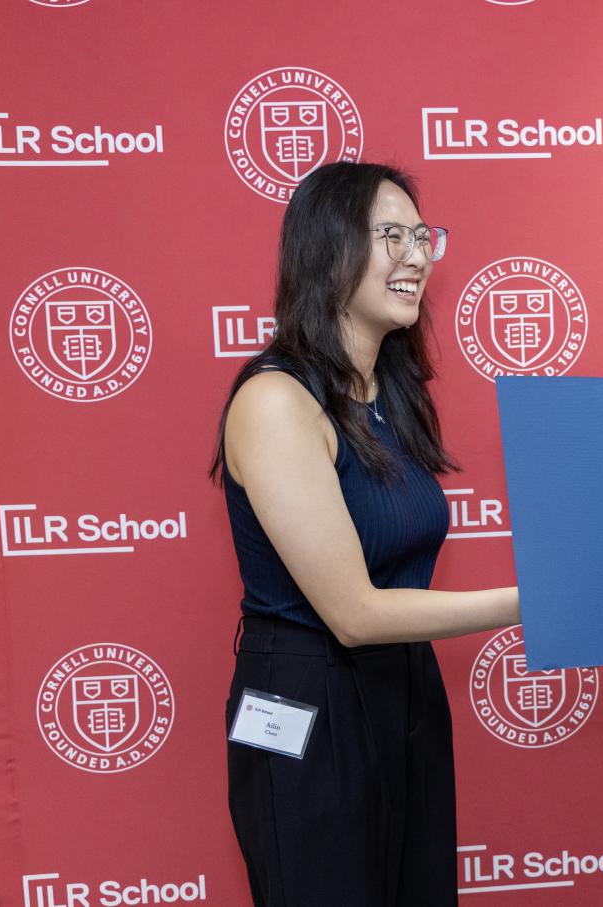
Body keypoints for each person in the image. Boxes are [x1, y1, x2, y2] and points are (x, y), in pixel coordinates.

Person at [212, 161, 519, 907]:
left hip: (405, 689)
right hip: (308, 704)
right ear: (329, 251)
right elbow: (353, 612)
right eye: (392, 236)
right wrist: (536, 601)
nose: (416, 256)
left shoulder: (391, 394)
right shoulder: (276, 400)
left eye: (422, 236)